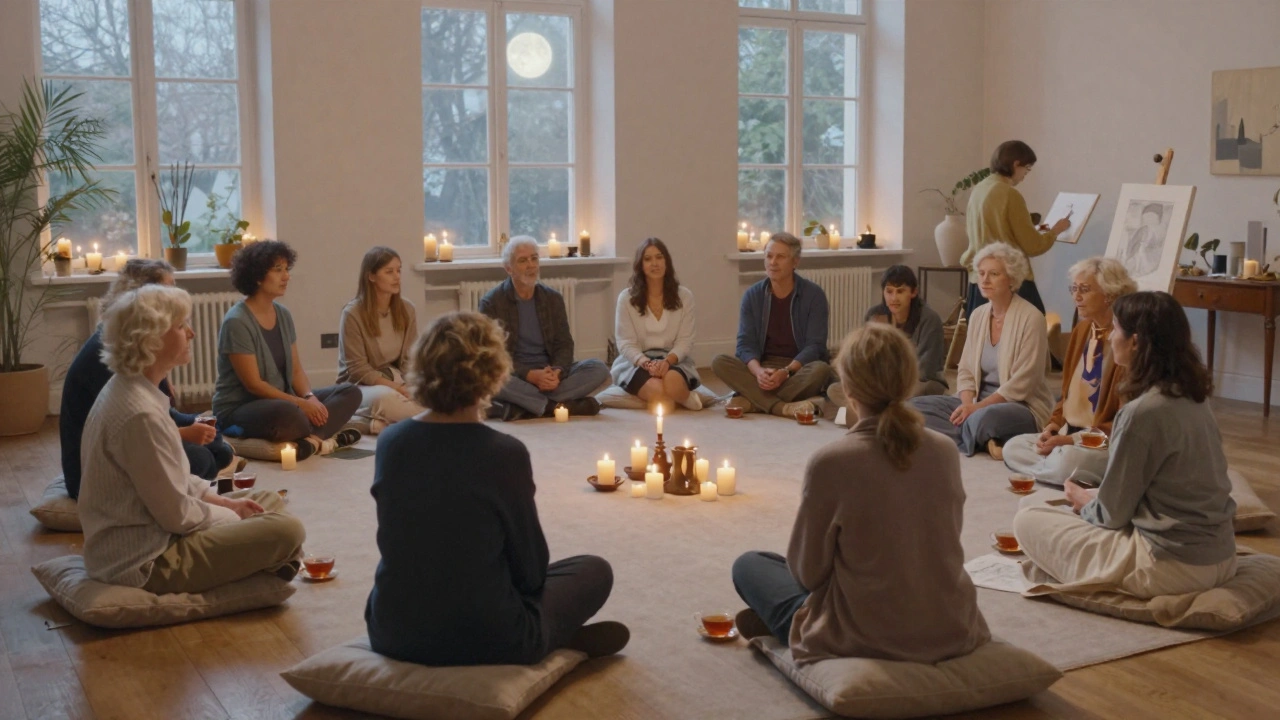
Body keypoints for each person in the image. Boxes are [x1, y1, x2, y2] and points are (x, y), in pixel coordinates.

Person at [365, 312, 628, 665]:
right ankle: (557, 638)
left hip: (392, 631)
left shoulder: (391, 442)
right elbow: (531, 573)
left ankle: (554, 634)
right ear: (493, 375)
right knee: (594, 570)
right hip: (491, 638)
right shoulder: (504, 453)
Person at [730, 324, 991, 664]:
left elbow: (807, 574)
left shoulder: (833, 461)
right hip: (950, 625)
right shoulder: (944, 450)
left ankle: (785, 627)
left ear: (848, 388)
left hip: (865, 635)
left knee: (750, 566)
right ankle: (779, 623)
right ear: (909, 381)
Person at [79, 285, 305, 593]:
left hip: (157, 530)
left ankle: (263, 557)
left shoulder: (133, 388)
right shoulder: (140, 415)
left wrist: (223, 501)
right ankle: (268, 559)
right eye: (181, 325)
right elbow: (177, 516)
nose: (192, 333)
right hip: (145, 558)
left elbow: (176, 479)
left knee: (265, 501)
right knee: (287, 530)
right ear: (151, 339)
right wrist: (231, 515)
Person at [1014, 291, 1237, 599]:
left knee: (1027, 516)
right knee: (1043, 503)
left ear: (1135, 342)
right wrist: (1097, 498)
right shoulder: (1194, 397)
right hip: (1223, 556)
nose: (1110, 336)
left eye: (1116, 328)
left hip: (1171, 565)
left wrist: (1085, 502)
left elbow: (1111, 516)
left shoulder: (1142, 412)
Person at [60, 259, 238, 498]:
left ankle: (198, 480)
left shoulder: (136, 345)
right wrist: (186, 433)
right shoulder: (112, 353)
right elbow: (137, 430)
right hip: (92, 473)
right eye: (168, 289)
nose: (190, 332)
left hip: (142, 438)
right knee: (201, 457)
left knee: (217, 444)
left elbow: (161, 413)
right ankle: (195, 483)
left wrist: (195, 425)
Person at [213, 240, 362, 461]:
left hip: (284, 399)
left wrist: (310, 398)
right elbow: (254, 385)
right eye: (278, 270)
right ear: (257, 276)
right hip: (240, 407)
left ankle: (311, 441)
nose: (286, 276)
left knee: (350, 392)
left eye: (286, 269)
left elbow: (296, 371)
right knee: (291, 416)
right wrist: (301, 405)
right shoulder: (237, 321)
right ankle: (321, 435)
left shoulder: (283, 314)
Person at [1003, 258, 1136, 485]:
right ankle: (1059, 469)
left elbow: (1123, 424)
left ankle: (1059, 468)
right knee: (1013, 447)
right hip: (1069, 433)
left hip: (1100, 440)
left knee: (1070, 461)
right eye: (1073, 288)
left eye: (1084, 289)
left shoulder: (1125, 341)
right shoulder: (1082, 329)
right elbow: (1067, 395)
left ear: (1110, 294)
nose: (1076, 296)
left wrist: (1071, 441)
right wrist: (1053, 428)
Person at [911, 243, 1052, 457]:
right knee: (911, 408)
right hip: (976, 400)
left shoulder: (1032, 318)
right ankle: (985, 440)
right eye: (982, 273)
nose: (984, 280)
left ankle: (972, 434)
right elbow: (966, 370)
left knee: (984, 419)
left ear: (1012, 279)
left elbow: (1025, 382)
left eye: (994, 274)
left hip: (1018, 404)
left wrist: (976, 410)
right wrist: (968, 405)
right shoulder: (978, 315)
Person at [479, 236, 609, 421]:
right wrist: (530, 375)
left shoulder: (552, 298)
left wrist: (557, 372)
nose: (531, 265)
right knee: (490, 377)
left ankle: (524, 407)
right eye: (523, 261)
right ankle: (557, 406)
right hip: (517, 374)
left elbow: (564, 344)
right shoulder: (491, 302)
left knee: (599, 368)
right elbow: (494, 355)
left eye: (534, 258)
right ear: (509, 268)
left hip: (550, 373)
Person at [712, 232, 832, 419]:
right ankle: (781, 407)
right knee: (719, 362)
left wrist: (786, 372)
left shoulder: (814, 295)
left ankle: (753, 401)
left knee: (821, 370)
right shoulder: (752, 295)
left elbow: (815, 346)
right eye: (769, 256)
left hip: (797, 368)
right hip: (764, 365)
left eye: (780, 257)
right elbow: (745, 344)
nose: (773, 262)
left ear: (795, 262)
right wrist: (759, 372)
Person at [961, 140, 1071, 317]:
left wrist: (1040, 227)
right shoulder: (1009, 194)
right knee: (1029, 329)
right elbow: (1033, 246)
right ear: (1016, 164)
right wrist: (1055, 231)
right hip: (1008, 282)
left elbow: (997, 228)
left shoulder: (979, 189)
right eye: (1027, 169)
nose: (1025, 175)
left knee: (984, 332)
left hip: (980, 279)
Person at [831, 265, 946, 405]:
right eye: (889, 291)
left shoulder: (930, 319)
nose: (894, 298)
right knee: (835, 390)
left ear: (914, 292)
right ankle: (886, 405)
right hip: (881, 383)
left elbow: (926, 368)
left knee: (925, 389)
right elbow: (864, 358)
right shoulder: (874, 315)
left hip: (917, 382)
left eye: (900, 291)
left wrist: (892, 385)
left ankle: (877, 406)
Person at [609, 238, 702, 411]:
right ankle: (670, 399)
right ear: (640, 265)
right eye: (648, 259)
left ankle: (680, 397)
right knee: (660, 392)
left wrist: (667, 362)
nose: (655, 263)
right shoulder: (626, 299)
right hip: (637, 361)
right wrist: (646, 363)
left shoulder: (685, 297)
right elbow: (625, 343)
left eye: (659, 257)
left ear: (667, 262)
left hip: (673, 359)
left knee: (673, 383)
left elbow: (685, 341)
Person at [338, 246, 423, 434]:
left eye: (399, 270)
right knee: (386, 399)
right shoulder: (352, 314)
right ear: (371, 276)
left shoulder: (407, 309)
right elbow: (358, 369)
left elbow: (410, 360)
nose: (397, 277)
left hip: (397, 379)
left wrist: (412, 386)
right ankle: (429, 418)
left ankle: (381, 422)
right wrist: (398, 389)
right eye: (389, 272)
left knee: (434, 392)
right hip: (362, 386)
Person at [1122, 203, 1166, 279]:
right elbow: (1134, 246)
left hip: (1149, 260)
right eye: (1147, 217)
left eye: (1151, 217)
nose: (1147, 220)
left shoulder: (1159, 232)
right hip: (1138, 258)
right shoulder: (1142, 230)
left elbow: (1156, 248)